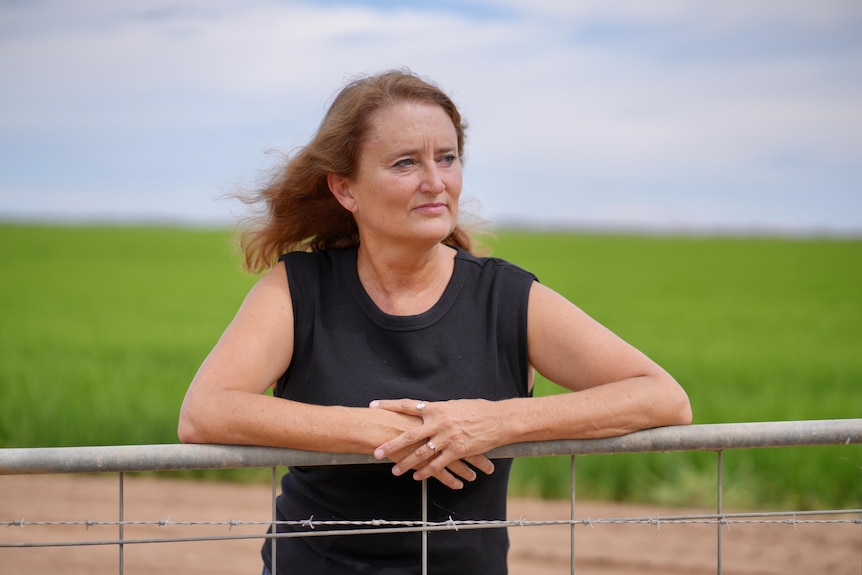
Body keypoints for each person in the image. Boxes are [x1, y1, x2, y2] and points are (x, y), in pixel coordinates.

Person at [177, 69, 692, 574]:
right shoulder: (298, 289)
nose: (435, 182)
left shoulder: (507, 297)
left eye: (447, 159)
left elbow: (662, 396)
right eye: (405, 163)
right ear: (345, 189)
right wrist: (370, 431)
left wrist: (496, 421)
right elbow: (205, 412)